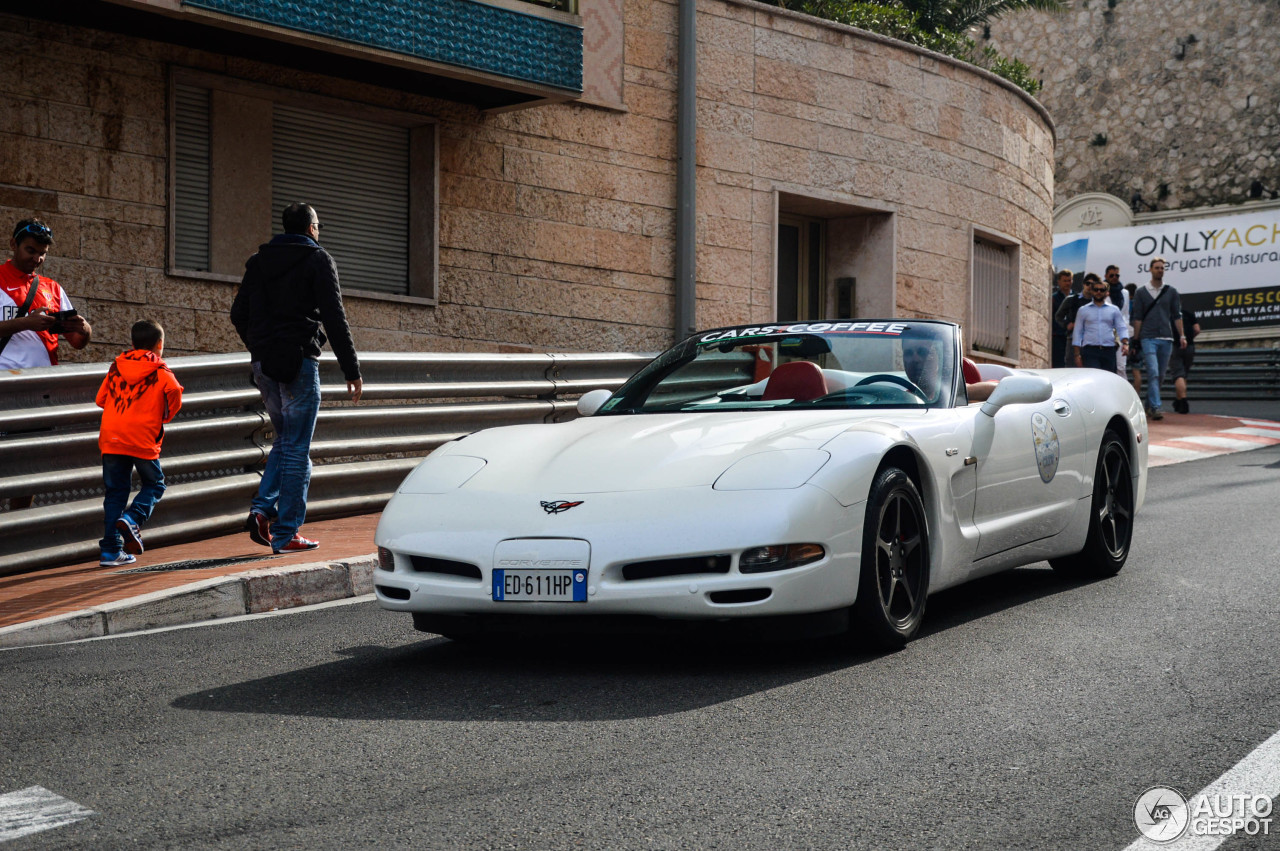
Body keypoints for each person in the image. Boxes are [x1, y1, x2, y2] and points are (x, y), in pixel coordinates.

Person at [230, 202, 363, 554]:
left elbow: (237, 313)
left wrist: (259, 346)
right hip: (299, 363)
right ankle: (286, 532)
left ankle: (262, 511)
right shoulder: (318, 259)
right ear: (310, 228)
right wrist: (351, 369)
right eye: (319, 225)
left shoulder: (258, 262)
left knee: (287, 440)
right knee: (296, 446)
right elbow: (335, 316)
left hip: (265, 365)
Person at [95, 320, 184, 566]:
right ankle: (133, 518)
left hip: (112, 437)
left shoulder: (116, 368)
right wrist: (165, 415)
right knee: (155, 484)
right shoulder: (160, 370)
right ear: (160, 344)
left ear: (132, 343)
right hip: (143, 437)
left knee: (115, 493)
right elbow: (175, 392)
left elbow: (100, 399)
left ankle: (111, 551)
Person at [0, 218, 92, 369]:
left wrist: (84, 329)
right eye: (30, 251)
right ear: (13, 244)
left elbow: (77, 342)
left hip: (44, 383)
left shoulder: (53, 288)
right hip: (5, 381)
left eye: (43, 253)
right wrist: (26, 323)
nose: (37, 259)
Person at [1130, 256, 1186, 420]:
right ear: (1150, 269)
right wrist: (1136, 339)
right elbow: (1138, 317)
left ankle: (1148, 404)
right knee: (1153, 372)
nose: (1160, 270)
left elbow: (1177, 315)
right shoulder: (1141, 292)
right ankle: (1155, 407)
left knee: (1160, 375)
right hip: (1148, 337)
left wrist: (1182, 335)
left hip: (1166, 338)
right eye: (1157, 267)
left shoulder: (1171, 292)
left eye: (1162, 268)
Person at [1072, 276, 1129, 372]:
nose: (1098, 292)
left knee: (1109, 379)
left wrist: (1125, 343)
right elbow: (1077, 332)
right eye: (1096, 289)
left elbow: (1121, 327)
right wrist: (1077, 355)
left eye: (1102, 290)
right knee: (1094, 377)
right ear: (1092, 291)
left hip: (1109, 350)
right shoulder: (1083, 310)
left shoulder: (1114, 310)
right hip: (1090, 351)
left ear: (1107, 293)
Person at [1169, 307, 1201, 413]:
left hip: (1175, 345)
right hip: (1190, 346)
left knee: (1178, 374)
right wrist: (1190, 338)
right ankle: (1178, 400)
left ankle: (1183, 401)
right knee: (1184, 374)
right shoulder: (1188, 313)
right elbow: (1197, 329)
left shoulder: (1168, 315)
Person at [1104, 265, 1131, 377]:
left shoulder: (1124, 292)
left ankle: (1123, 392)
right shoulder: (1101, 291)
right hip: (1106, 332)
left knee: (1121, 366)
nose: (1115, 277)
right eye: (1111, 275)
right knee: (1107, 366)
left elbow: (1126, 313)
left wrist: (1126, 335)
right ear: (1106, 276)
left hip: (1121, 331)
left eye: (1117, 275)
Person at [1051, 269, 1073, 368]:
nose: (1067, 283)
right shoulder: (1053, 299)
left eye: (1069, 280)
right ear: (1059, 282)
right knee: (1058, 365)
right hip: (1058, 337)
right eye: (1065, 281)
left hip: (1073, 337)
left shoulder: (1077, 298)